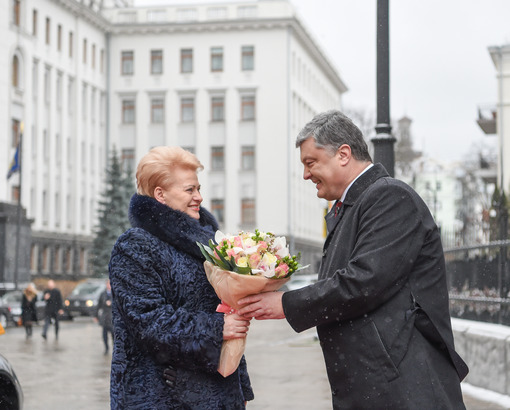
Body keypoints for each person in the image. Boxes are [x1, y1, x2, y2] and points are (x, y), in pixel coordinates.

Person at [238, 110, 468, 409]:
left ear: (343, 154)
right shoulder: (352, 206)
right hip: (380, 387)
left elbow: (365, 282)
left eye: (311, 163)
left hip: (405, 389)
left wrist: (285, 304)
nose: (306, 174)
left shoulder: (389, 197)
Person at [108, 146, 253, 409]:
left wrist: (239, 386)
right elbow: (149, 322)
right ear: (160, 194)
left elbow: (224, 312)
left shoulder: (209, 245)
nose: (198, 197)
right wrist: (219, 327)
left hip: (217, 393)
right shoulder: (135, 247)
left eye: (199, 188)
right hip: (162, 395)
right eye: (189, 190)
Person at [94, 279, 113, 355]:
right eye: (108, 284)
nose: (109, 286)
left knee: (113, 334)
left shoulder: (115, 294)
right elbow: (98, 305)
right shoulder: (103, 294)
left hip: (112, 318)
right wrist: (95, 315)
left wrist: (111, 303)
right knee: (104, 335)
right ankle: (106, 348)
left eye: (110, 284)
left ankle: (115, 348)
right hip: (105, 317)